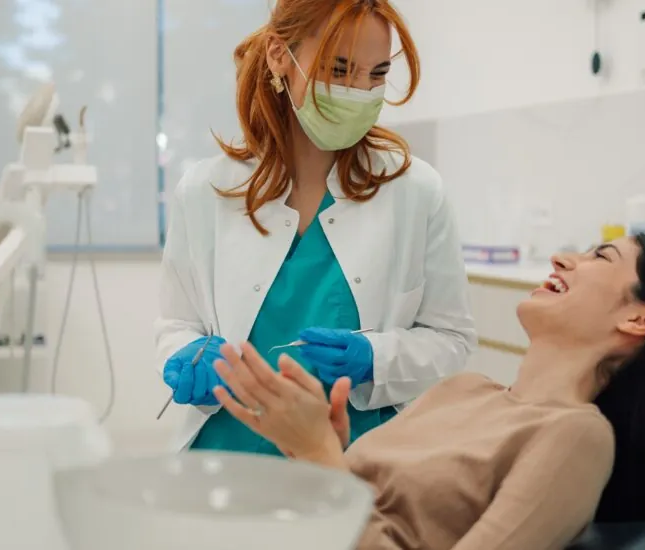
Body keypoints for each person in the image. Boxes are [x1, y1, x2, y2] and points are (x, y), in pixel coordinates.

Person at [209, 235, 645, 550]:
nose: (562, 258)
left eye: (601, 256)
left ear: (638, 317)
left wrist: (321, 458)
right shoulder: (464, 390)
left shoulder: (575, 435)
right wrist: (319, 453)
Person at [154, 0, 476, 455]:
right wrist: (185, 356)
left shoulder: (416, 191)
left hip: (358, 463)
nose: (360, 91)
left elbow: (452, 339)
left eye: (376, 74)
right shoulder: (205, 190)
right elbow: (177, 322)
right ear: (279, 56)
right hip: (229, 458)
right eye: (339, 69)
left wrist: (376, 360)